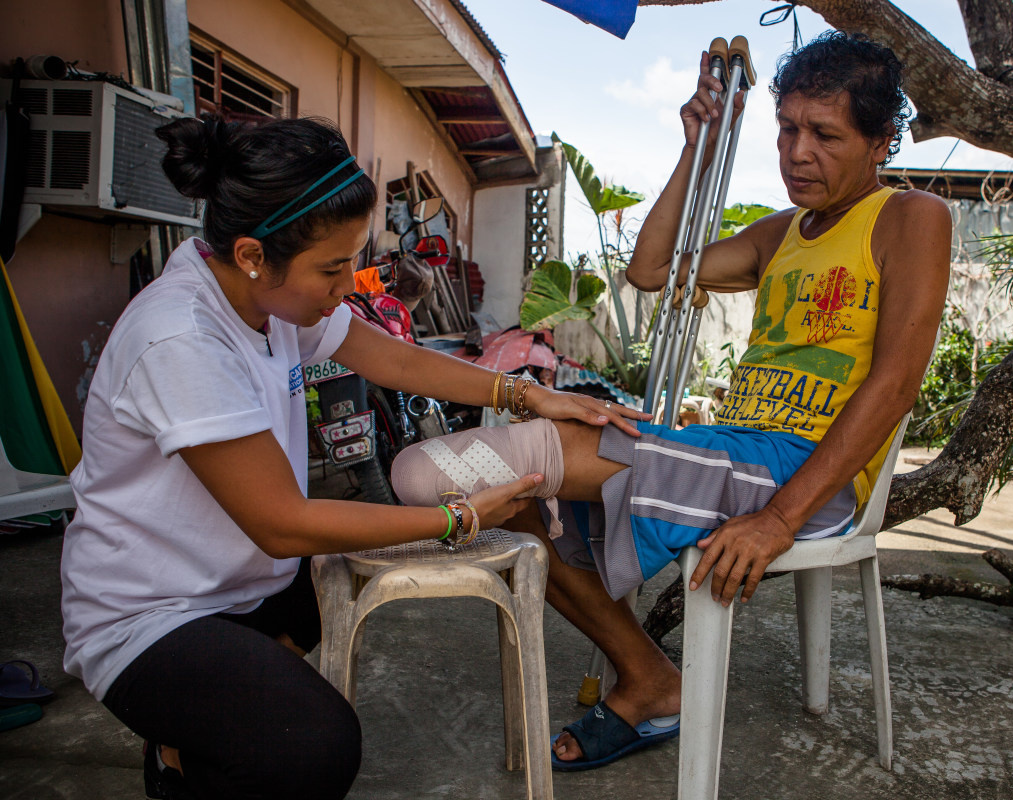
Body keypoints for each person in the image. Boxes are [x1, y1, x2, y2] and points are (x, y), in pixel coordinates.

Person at [390, 30, 951, 771]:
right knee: (517, 501)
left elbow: (895, 383)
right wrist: (700, 147)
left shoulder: (910, 217)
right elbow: (652, 270)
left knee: (446, 475)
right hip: (734, 448)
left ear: (882, 142)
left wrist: (780, 520)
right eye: (787, 129)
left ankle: (652, 679)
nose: (797, 152)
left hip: (809, 473)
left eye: (826, 134)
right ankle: (652, 681)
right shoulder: (783, 233)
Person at [59, 115, 645, 800]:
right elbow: (284, 523)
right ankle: (182, 758)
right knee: (313, 749)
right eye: (333, 268)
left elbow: (390, 356)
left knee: (372, 555)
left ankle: (214, 718)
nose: (349, 285)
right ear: (253, 254)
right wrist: (458, 518)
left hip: (247, 580)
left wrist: (524, 394)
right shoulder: (182, 339)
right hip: (152, 617)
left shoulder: (268, 299)